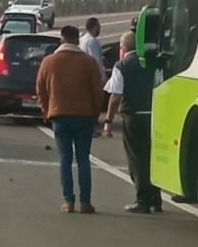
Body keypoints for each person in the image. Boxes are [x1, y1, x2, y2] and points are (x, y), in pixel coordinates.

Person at [36, 25, 106, 214]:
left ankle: (68, 201)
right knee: (83, 159)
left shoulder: (49, 62)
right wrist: (95, 113)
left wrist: (46, 110)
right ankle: (85, 201)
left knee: (64, 159)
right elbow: (98, 91)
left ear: (62, 39)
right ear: (77, 40)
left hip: (59, 115)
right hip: (84, 116)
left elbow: (40, 90)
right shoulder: (89, 62)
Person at [103, 31, 164, 214]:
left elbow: (115, 96)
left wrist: (108, 120)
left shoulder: (122, 66)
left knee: (137, 161)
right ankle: (156, 199)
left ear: (123, 48)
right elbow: (159, 86)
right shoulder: (152, 64)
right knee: (152, 158)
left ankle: (142, 200)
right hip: (153, 115)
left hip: (133, 116)